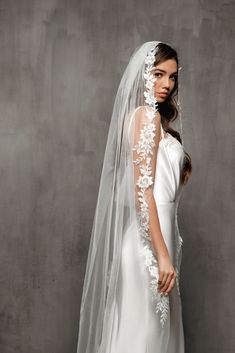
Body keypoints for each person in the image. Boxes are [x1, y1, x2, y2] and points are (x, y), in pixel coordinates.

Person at [76, 41, 192, 353]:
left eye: (172, 77)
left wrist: (168, 250)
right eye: (158, 74)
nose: (166, 84)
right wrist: (162, 255)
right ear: (143, 75)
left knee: (158, 337)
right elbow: (143, 194)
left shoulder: (157, 122)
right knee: (144, 338)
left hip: (163, 239)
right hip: (148, 247)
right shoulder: (145, 117)